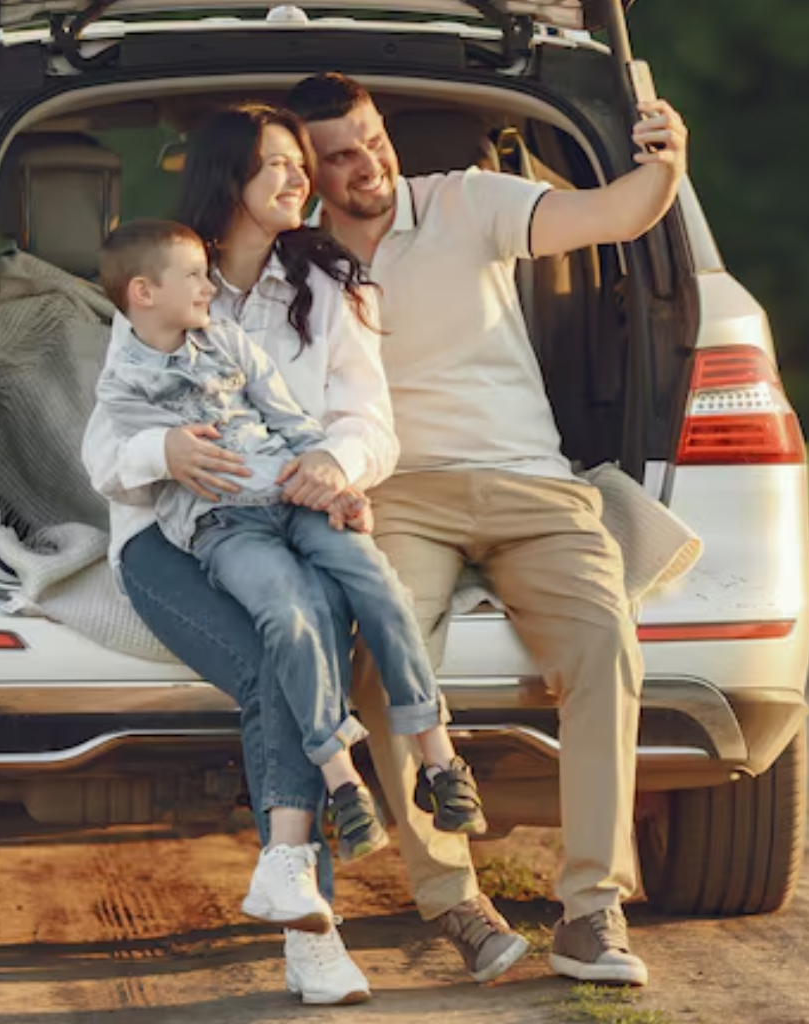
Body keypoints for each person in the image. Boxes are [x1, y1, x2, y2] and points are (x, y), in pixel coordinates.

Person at [82, 104, 525, 1006]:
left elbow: (369, 422)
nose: (300, 179)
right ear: (228, 181)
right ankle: (312, 931)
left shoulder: (332, 284)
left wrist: (334, 463)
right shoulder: (168, 280)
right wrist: (160, 455)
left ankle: (301, 886)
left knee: (316, 618)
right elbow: (103, 452)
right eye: (278, 165)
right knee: (275, 654)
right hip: (175, 534)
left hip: (295, 504)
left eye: (299, 164)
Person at [287, 72, 689, 986]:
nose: (368, 166)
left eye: (373, 139)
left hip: (531, 486)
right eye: (340, 156)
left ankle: (592, 911)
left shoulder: (467, 200)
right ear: (307, 169)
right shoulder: (296, 259)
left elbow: (617, 214)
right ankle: (456, 905)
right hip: (399, 494)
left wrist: (667, 164)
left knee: (603, 644)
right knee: (389, 662)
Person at [94, 218, 488, 874]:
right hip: (224, 526)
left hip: (294, 496)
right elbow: (117, 463)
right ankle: (342, 782)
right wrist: (162, 451)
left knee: (380, 587)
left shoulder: (226, 341)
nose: (206, 287)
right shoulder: (123, 385)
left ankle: (441, 761)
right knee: (289, 615)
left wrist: (335, 482)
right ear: (143, 292)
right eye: (193, 276)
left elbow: (290, 421)